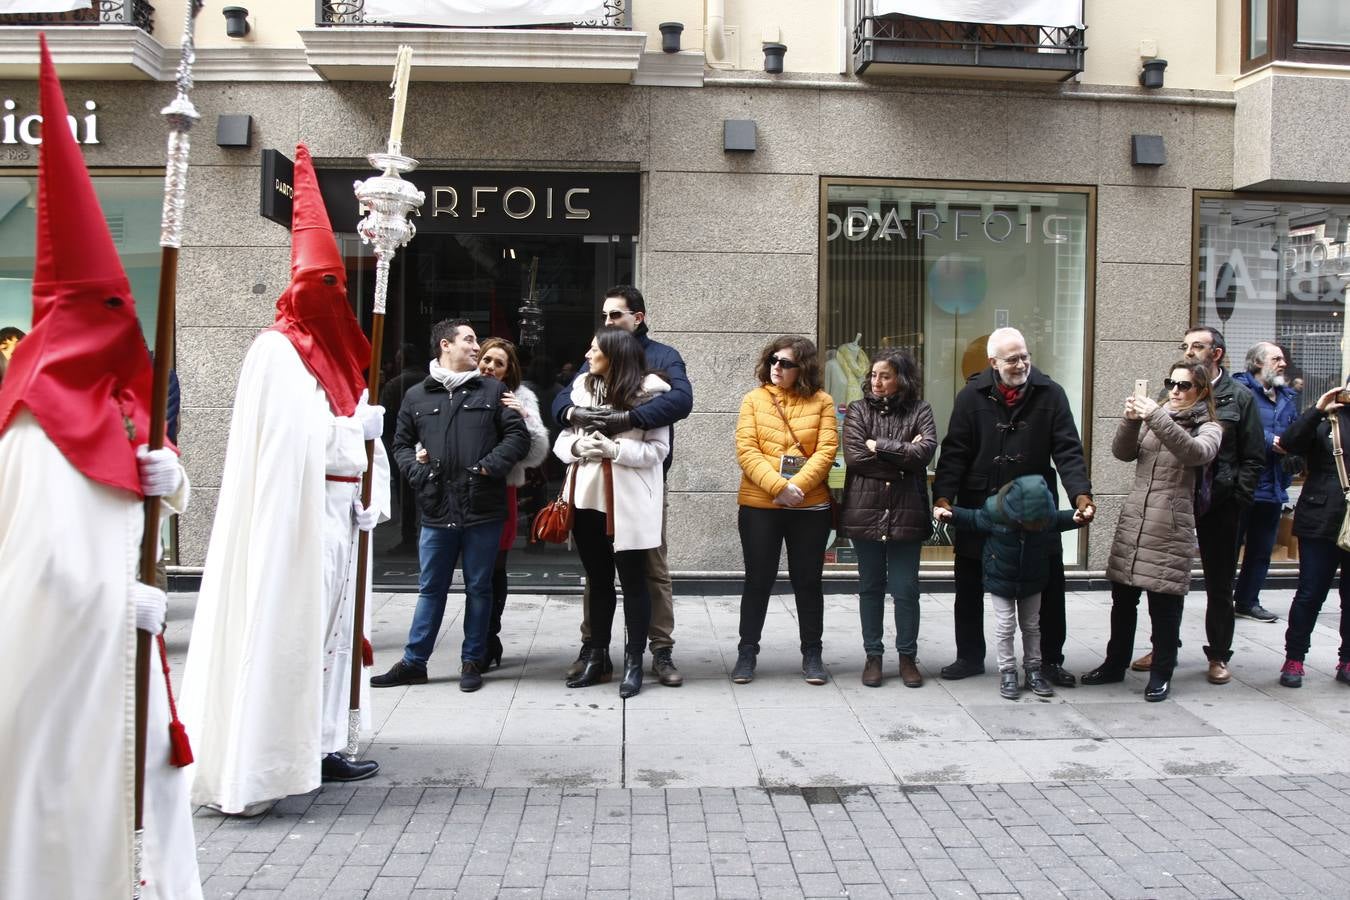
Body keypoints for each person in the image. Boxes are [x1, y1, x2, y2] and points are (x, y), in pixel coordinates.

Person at [0, 37, 199, 896]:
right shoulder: (36, 419)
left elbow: (138, 490)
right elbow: (33, 568)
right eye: (110, 309)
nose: (127, 323)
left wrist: (172, 477)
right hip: (71, 664)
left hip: (130, 654)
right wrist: (118, 602)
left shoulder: (116, 397)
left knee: (151, 787)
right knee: (69, 800)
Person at [181, 144, 391, 816]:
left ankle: (323, 741)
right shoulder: (275, 352)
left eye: (337, 286)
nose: (329, 299)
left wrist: (368, 478)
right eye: (319, 286)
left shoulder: (336, 357)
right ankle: (267, 756)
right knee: (291, 631)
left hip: (334, 518)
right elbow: (287, 442)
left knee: (331, 636)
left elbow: (355, 432)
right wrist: (349, 436)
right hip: (293, 518)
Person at [373, 318, 530, 692]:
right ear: (446, 345)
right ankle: (414, 662)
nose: (477, 347)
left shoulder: (493, 391)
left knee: (479, 588)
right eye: (469, 340)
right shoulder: (417, 395)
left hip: (483, 508)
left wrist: (486, 468)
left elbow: (517, 437)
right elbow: (399, 444)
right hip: (437, 508)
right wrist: (418, 473)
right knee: (431, 588)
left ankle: (472, 660)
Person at [931, 326, 1093, 686]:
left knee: (1049, 586)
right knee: (969, 585)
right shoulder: (971, 395)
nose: (1021, 364)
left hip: (1036, 507)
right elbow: (955, 450)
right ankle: (970, 656)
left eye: (1025, 356)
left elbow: (1068, 450)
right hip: (981, 502)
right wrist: (943, 496)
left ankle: (1050, 661)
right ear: (993, 362)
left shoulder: (1051, 393)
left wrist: (1081, 494)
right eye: (1012, 358)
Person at [553, 285, 694, 687]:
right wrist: (577, 426)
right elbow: (562, 412)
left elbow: (680, 403)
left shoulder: (663, 363)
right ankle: (595, 651)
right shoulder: (588, 378)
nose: (608, 322)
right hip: (590, 494)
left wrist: (622, 425)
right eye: (606, 317)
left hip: (636, 492)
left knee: (648, 573)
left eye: (615, 316)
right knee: (597, 578)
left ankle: (656, 652)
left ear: (638, 317)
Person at [1082, 361, 1222, 702]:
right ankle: (1114, 663)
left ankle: (1162, 672)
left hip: (1171, 525)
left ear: (1201, 391)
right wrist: (1130, 421)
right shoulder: (1155, 416)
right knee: (1122, 600)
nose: (1174, 390)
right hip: (1136, 519)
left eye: (1184, 385)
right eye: (1171, 382)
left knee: (1164, 605)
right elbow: (1121, 452)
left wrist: (1156, 417)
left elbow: (1194, 453)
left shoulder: (1210, 427)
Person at [1132, 328, 1264, 683]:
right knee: (1164, 581)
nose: (1189, 353)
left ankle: (1219, 654)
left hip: (1220, 505)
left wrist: (1238, 496)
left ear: (1216, 354)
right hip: (1175, 501)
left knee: (1220, 583)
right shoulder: (1170, 391)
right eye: (1186, 346)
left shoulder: (1239, 397)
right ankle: (1164, 648)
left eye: (1198, 347)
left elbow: (1253, 456)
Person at [732, 335, 839, 685]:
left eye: (786, 363)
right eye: (774, 360)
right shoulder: (754, 400)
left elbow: (826, 452)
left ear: (803, 368)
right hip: (760, 504)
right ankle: (747, 652)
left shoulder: (823, 402)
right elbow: (747, 451)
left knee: (807, 581)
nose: (776, 367)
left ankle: (812, 653)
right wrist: (779, 487)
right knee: (758, 580)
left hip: (809, 507)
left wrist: (798, 488)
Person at [939, 476, 1087, 700]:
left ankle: (1033, 670)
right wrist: (950, 514)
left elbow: (1058, 519)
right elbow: (971, 518)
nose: (1034, 527)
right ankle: (1008, 671)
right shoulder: (995, 513)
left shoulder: (1043, 515)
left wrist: (1076, 517)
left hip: (1033, 578)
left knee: (1031, 625)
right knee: (1005, 625)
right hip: (1001, 578)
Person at [839, 349, 937, 688]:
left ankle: (907, 656)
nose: (877, 382)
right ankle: (873, 656)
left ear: (902, 379)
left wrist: (877, 443)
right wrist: (901, 459)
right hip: (865, 511)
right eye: (874, 375)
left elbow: (924, 453)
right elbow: (854, 457)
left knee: (906, 588)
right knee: (870, 586)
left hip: (906, 513)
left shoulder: (920, 409)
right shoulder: (858, 409)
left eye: (885, 375)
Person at [476, 336, 550, 668]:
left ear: (509, 371)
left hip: (500, 488)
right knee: (475, 572)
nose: (490, 367)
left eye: (498, 363)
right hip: (463, 490)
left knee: (495, 569)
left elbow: (536, 453)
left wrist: (525, 418)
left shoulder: (519, 397)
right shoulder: (461, 389)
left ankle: (489, 636)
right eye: (486, 359)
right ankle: (479, 638)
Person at [1275, 383, 1350, 688]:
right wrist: (1318, 407)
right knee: (1310, 593)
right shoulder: (1328, 417)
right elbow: (1290, 444)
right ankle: (1294, 658)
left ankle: (1347, 659)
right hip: (1321, 517)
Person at [1231, 341, 1297, 624]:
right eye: (1276, 359)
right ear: (1258, 363)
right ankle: (1220, 600)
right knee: (1228, 548)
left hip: (1273, 486)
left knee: (1261, 550)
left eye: (1282, 359)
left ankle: (1247, 601)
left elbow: (1294, 429)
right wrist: (1272, 441)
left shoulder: (1288, 396)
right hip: (1243, 484)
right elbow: (1233, 428)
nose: (1283, 363)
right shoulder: (1238, 390)